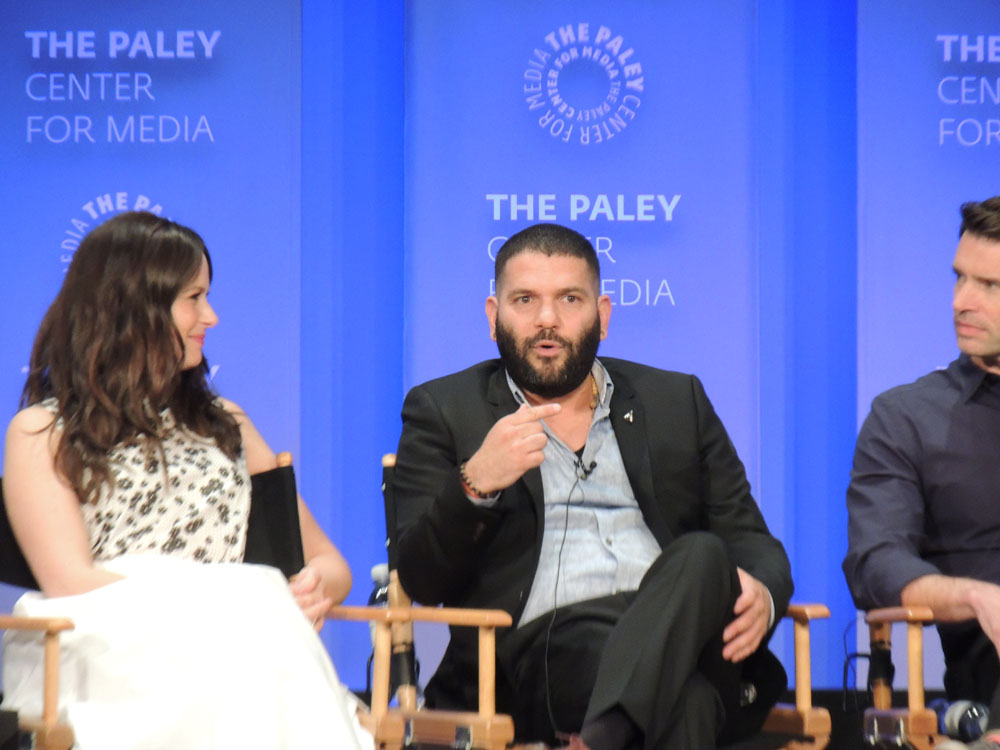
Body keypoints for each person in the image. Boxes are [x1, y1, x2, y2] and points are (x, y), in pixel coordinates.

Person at [391, 223, 793, 750]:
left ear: (603, 316)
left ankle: (606, 733)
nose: (547, 319)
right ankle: (616, 730)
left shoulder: (676, 401)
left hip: (684, 632)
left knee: (702, 555)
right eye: (525, 299)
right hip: (542, 658)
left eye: (570, 299)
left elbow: (753, 542)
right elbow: (420, 578)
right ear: (493, 317)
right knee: (690, 701)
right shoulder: (445, 410)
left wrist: (764, 593)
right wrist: (475, 483)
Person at [1, 211, 372, 750]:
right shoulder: (43, 432)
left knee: (259, 646)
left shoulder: (227, 425)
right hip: (106, 658)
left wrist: (313, 589)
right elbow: (68, 582)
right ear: (136, 307)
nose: (211, 317)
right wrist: (228, 606)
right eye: (194, 298)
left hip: (242, 656)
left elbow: (330, 564)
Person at [844, 196, 1000, 750]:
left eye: (990, 286)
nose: (962, 301)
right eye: (960, 277)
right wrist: (979, 598)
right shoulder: (907, 418)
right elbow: (876, 563)